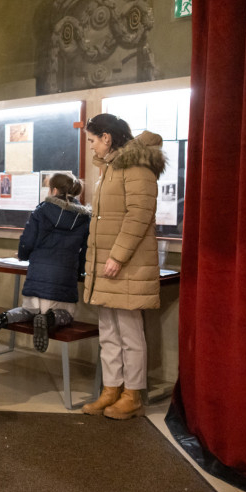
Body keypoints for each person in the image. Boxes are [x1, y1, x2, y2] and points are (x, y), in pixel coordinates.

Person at [79, 113, 164, 420]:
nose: (91, 146)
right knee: (108, 332)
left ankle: (133, 394)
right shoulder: (111, 167)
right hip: (107, 264)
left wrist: (117, 256)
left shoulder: (136, 166)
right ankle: (111, 389)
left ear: (107, 137)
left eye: (92, 140)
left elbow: (139, 214)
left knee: (129, 333)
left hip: (125, 265)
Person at [0, 172, 91, 353]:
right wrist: (80, 271)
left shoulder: (42, 210)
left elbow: (27, 240)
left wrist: (23, 255)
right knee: (66, 314)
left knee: (29, 310)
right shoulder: (84, 218)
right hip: (64, 275)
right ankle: (49, 319)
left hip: (38, 272)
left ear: (54, 190)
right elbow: (85, 249)